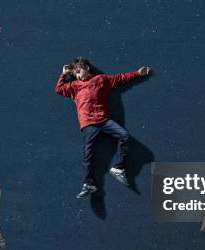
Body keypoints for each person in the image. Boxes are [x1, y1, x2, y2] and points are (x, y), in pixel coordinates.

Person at [55, 56, 150, 198]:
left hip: (104, 120)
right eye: (74, 74)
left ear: (86, 68)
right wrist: (64, 74)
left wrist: (137, 73)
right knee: (88, 154)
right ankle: (88, 184)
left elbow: (120, 78)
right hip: (88, 124)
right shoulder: (74, 86)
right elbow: (59, 89)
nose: (77, 75)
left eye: (78, 71)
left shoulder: (101, 80)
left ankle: (118, 168)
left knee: (124, 135)